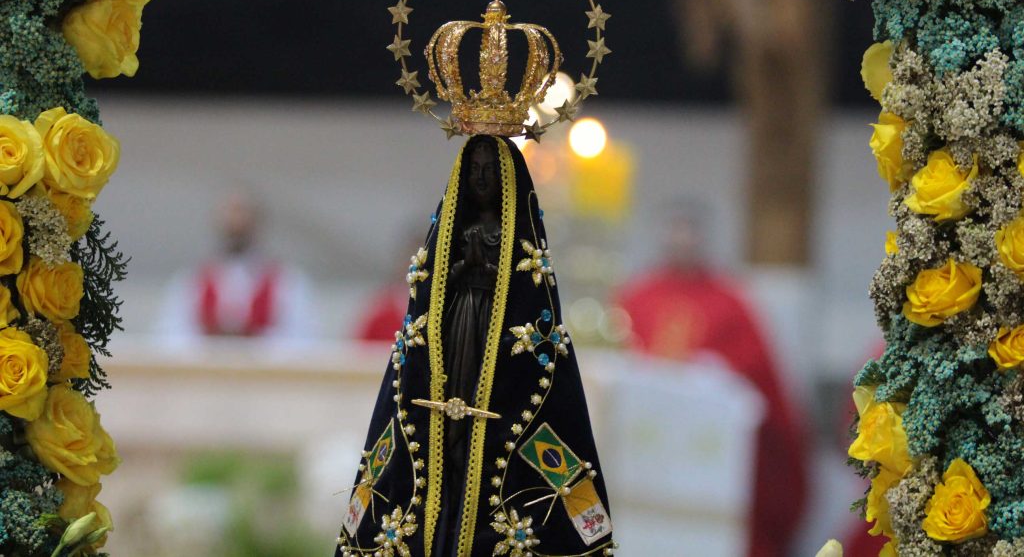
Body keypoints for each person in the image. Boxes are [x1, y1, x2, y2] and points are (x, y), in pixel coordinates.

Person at [335, 136, 614, 557]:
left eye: (489, 170)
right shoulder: (458, 232)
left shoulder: (513, 238)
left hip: (500, 337)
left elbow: (528, 306)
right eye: (475, 171)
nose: (482, 179)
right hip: (459, 324)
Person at [615, 202, 808, 557]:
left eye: (690, 232)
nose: (682, 240)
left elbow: (758, 377)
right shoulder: (637, 296)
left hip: (710, 457)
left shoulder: (731, 301)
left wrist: (715, 374)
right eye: (676, 231)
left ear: (703, 238)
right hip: (644, 449)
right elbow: (614, 361)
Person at [156, 187, 318, 345]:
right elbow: (169, 338)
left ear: (258, 220)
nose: (236, 220)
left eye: (242, 211)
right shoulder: (191, 282)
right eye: (229, 211)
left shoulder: (288, 283)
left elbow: (302, 341)